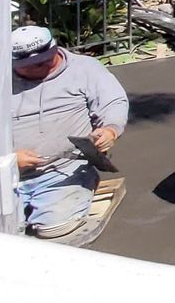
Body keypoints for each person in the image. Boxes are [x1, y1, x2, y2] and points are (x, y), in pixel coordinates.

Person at [9, 26, 129, 239]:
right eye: (32, 66)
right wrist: (8, 161)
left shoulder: (83, 69)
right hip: (7, 175)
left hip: (63, 169)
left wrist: (110, 129)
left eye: (47, 59)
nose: (43, 66)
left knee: (54, 231)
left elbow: (113, 101)